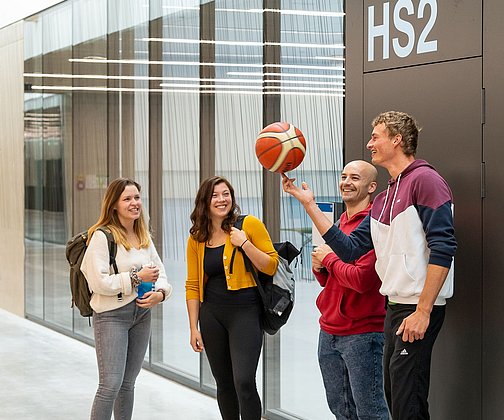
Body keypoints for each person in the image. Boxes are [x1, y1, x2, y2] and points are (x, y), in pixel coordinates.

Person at [283, 111, 456, 420]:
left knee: (407, 403)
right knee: (397, 399)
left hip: (416, 307)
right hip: (395, 307)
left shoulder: (426, 181)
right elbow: (349, 249)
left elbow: (444, 248)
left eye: (376, 137)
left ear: (397, 140)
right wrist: (308, 203)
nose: (369, 143)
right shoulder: (385, 196)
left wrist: (423, 311)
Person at [185, 176, 279, 420]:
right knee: (224, 383)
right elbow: (193, 284)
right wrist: (193, 327)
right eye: (215, 195)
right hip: (212, 314)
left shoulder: (249, 225)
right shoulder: (197, 237)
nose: (221, 199)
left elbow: (271, 266)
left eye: (225, 194)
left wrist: (245, 244)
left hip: (245, 312)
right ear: (205, 202)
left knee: (244, 381)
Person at [81, 178, 172, 420]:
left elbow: (160, 272)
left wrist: (160, 294)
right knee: (110, 384)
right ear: (114, 205)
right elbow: (97, 282)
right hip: (111, 316)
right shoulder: (102, 237)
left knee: (128, 384)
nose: (134, 203)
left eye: (137, 198)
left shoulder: (142, 235)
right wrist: (134, 278)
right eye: (127, 199)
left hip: (141, 315)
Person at [311, 160, 389, 420]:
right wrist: (320, 269)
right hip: (329, 330)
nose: (346, 182)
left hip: (362, 335)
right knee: (341, 410)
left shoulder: (372, 227)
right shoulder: (340, 224)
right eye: (344, 176)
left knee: (371, 412)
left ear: (371, 187)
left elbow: (361, 280)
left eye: (355, 178)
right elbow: (331, 282)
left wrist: (329, 260)